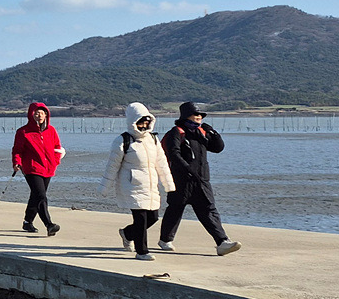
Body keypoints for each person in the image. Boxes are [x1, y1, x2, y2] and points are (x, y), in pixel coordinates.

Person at [160, 102, 241, 256]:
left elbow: (217, 148)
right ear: (186, 116)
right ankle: (165, 240)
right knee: (175, 209)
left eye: (201, 115)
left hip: (202, 179)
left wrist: (214, 133)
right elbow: (173, 153)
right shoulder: (176, 132)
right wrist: (187, 168)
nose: (199, 117)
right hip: (181, 179)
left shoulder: (201, 132)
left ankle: (222, 242)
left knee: (209, 209)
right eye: (195, 114)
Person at [102, 102, 175, 260]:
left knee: (153, 217)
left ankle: (127, 233)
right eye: (141, 122)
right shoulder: (123, 140)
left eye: (147, 122)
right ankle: (142, 251)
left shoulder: (153, 140)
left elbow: (162, 164)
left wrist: (169, 184)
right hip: (131, 185)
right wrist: (104, 187)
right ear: (133, 122)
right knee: (140, 219)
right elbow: (112, 166)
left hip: (150, 185)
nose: (144, 126)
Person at [11, 102, 66, 236]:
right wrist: (17, 162)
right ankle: (49, 224)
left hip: (48, 168)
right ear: (31, 114)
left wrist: (55, 161)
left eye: (42, 113)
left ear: (46, 115)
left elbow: (57, 148)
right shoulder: (23, 132)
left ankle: (27, 221)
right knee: (41, 195)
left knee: (36, 196)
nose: (40, 115)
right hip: (31, 168)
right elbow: (17, 150)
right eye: (37, 113)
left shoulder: (51, 130)